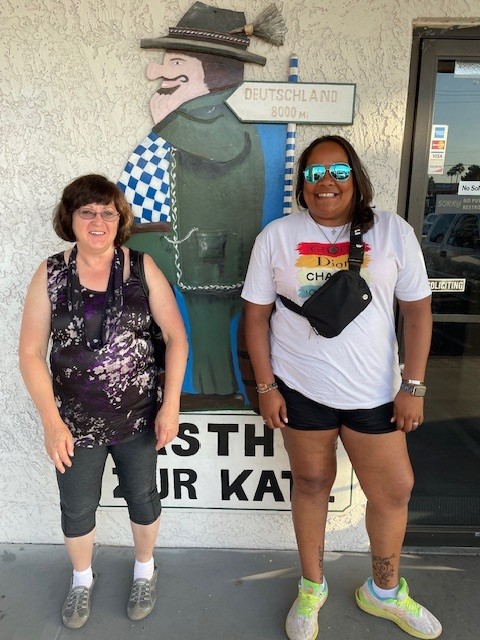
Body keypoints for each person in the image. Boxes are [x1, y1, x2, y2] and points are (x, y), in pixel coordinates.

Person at [241, 135, 442, 640]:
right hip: (301, 388)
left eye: (337, 171)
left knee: (394, 491)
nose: (325, 182)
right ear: (302, 183)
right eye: (313, 173)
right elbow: (256, 315)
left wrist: (412, 385)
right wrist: (266, 385)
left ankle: (384, 593)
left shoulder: (393, 232)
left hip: (375, 392)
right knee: (310, 485)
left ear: (355, 177)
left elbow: (417, 312)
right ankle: (312, 588)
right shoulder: (277, 236)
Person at [18, 174, 188, 629]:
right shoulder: (50, 272)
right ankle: (81, 580)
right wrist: (51, 422)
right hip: (73, 423)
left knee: (142, 496)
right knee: (76, 507)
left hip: (138, 419)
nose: (98, 220)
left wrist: (170, 405)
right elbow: (30, 352)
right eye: (87, 212)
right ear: (70, 219)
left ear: (120, 220)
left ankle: (145, 571)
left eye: (107, 213)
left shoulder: (142, 267)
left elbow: (175, 337)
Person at [118, 2, 286, 407]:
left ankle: (217, 391)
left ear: (210, 71)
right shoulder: (200, 108)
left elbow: (223, 147)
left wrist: (167, 122)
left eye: (174, 62)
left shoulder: (218, 113)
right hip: (188, 240)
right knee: (194, 312)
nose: (156, 72)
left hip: (209, 248)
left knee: (209, 316)